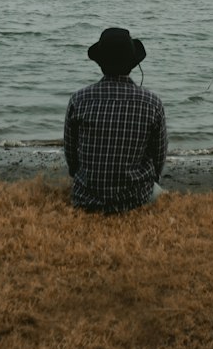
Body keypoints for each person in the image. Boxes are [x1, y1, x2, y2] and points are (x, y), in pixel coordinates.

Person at [64, 26, 168, 213]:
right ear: (133, 63)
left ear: (101, 63)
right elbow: (158, 158)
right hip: (136, 200)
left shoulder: (79, 99)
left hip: (86, 199)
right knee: (161, 195)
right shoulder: (152, 103)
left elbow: (71, 157)